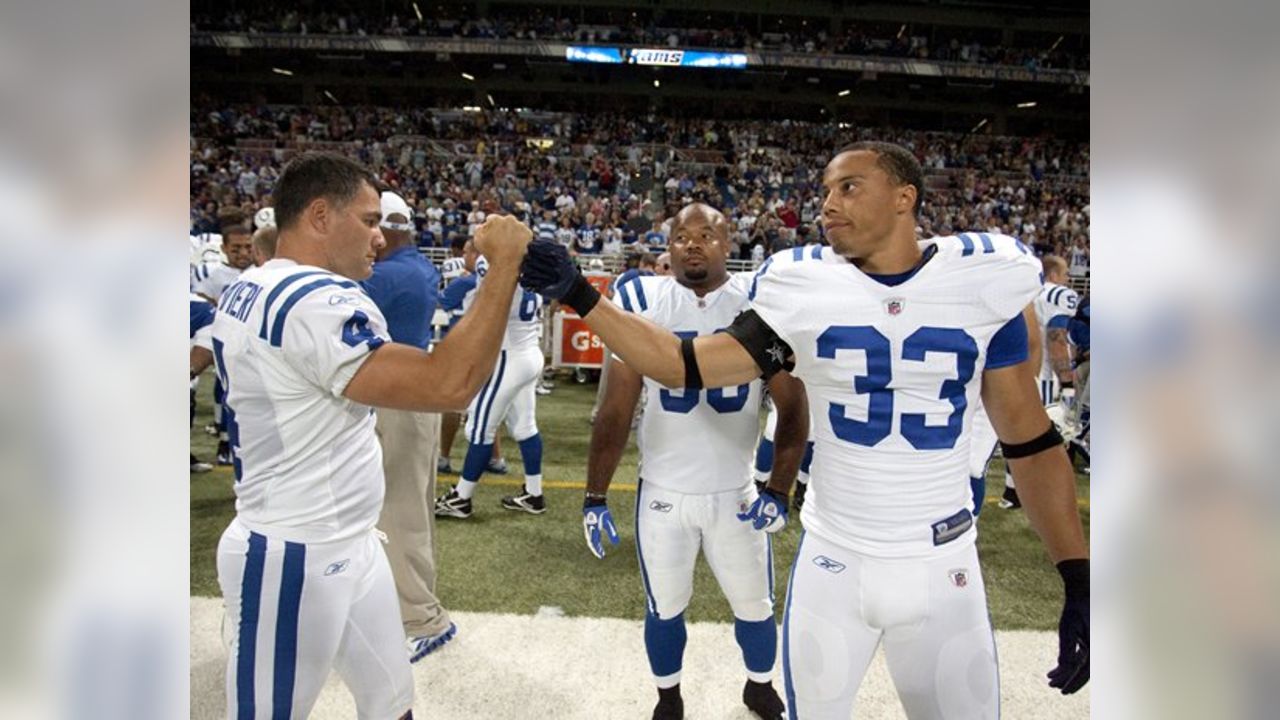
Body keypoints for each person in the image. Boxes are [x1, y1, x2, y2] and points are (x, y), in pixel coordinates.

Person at [521, 142, 1090, 718]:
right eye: (824, 191)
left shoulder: (984, 278)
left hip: (944, 561)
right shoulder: (802, 287)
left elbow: (1030, 441)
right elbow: (681, 364)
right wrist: (577, 293)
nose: (827, 205)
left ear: (904, 197)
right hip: (833, 559)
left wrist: (1077, 571)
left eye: (848, 187)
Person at [212, 152, 530, 720]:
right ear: (318, 216)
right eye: (367, 220)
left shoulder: (253, 283)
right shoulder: (317, 300)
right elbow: (449, 383)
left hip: (348, 542)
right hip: (294, 549)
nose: (379, 238)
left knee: (391, 702)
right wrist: (501, 266)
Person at [585, 204, 807, 720]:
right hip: (663, 489)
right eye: (681, 235)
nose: (692, 244)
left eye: (706, 234)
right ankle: (669, 697)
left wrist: (778, 489)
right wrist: (594, 497)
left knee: (755, 607)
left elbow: (793, 405)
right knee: (665, 606)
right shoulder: (642, 298)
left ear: (728, 243)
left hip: (736, 491)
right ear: (668, 246)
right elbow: (615, 408)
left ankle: (758, 686)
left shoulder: (758, 299)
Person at [359, 190, 456, 663]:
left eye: (374, 225)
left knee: (399, 512)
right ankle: (415, 607)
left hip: (397, 396)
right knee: (409, 508)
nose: (370, 237)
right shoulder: (417, 267)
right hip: (412, 394)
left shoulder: (389, 275)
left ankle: (420, 617)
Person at [434, 251, 548, 518]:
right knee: (525, 426)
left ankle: (461, 498)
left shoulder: (495, 262)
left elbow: (489, 303)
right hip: (530, 351)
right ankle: (534, 493)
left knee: (479, 428)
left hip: (508, 356)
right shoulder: (532, 266)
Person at [1000, 255, 1079, 509]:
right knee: (1047, 440)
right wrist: (1067, 382)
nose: (1067, 279)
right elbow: (1056, 340)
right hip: (1044, 377)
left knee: (1016, 436)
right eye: (1065, 273)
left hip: (1016, 373)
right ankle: (1044, 497)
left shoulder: (1023, 291)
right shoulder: (1058, 294)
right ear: (1054, 274)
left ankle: (1012, 493)